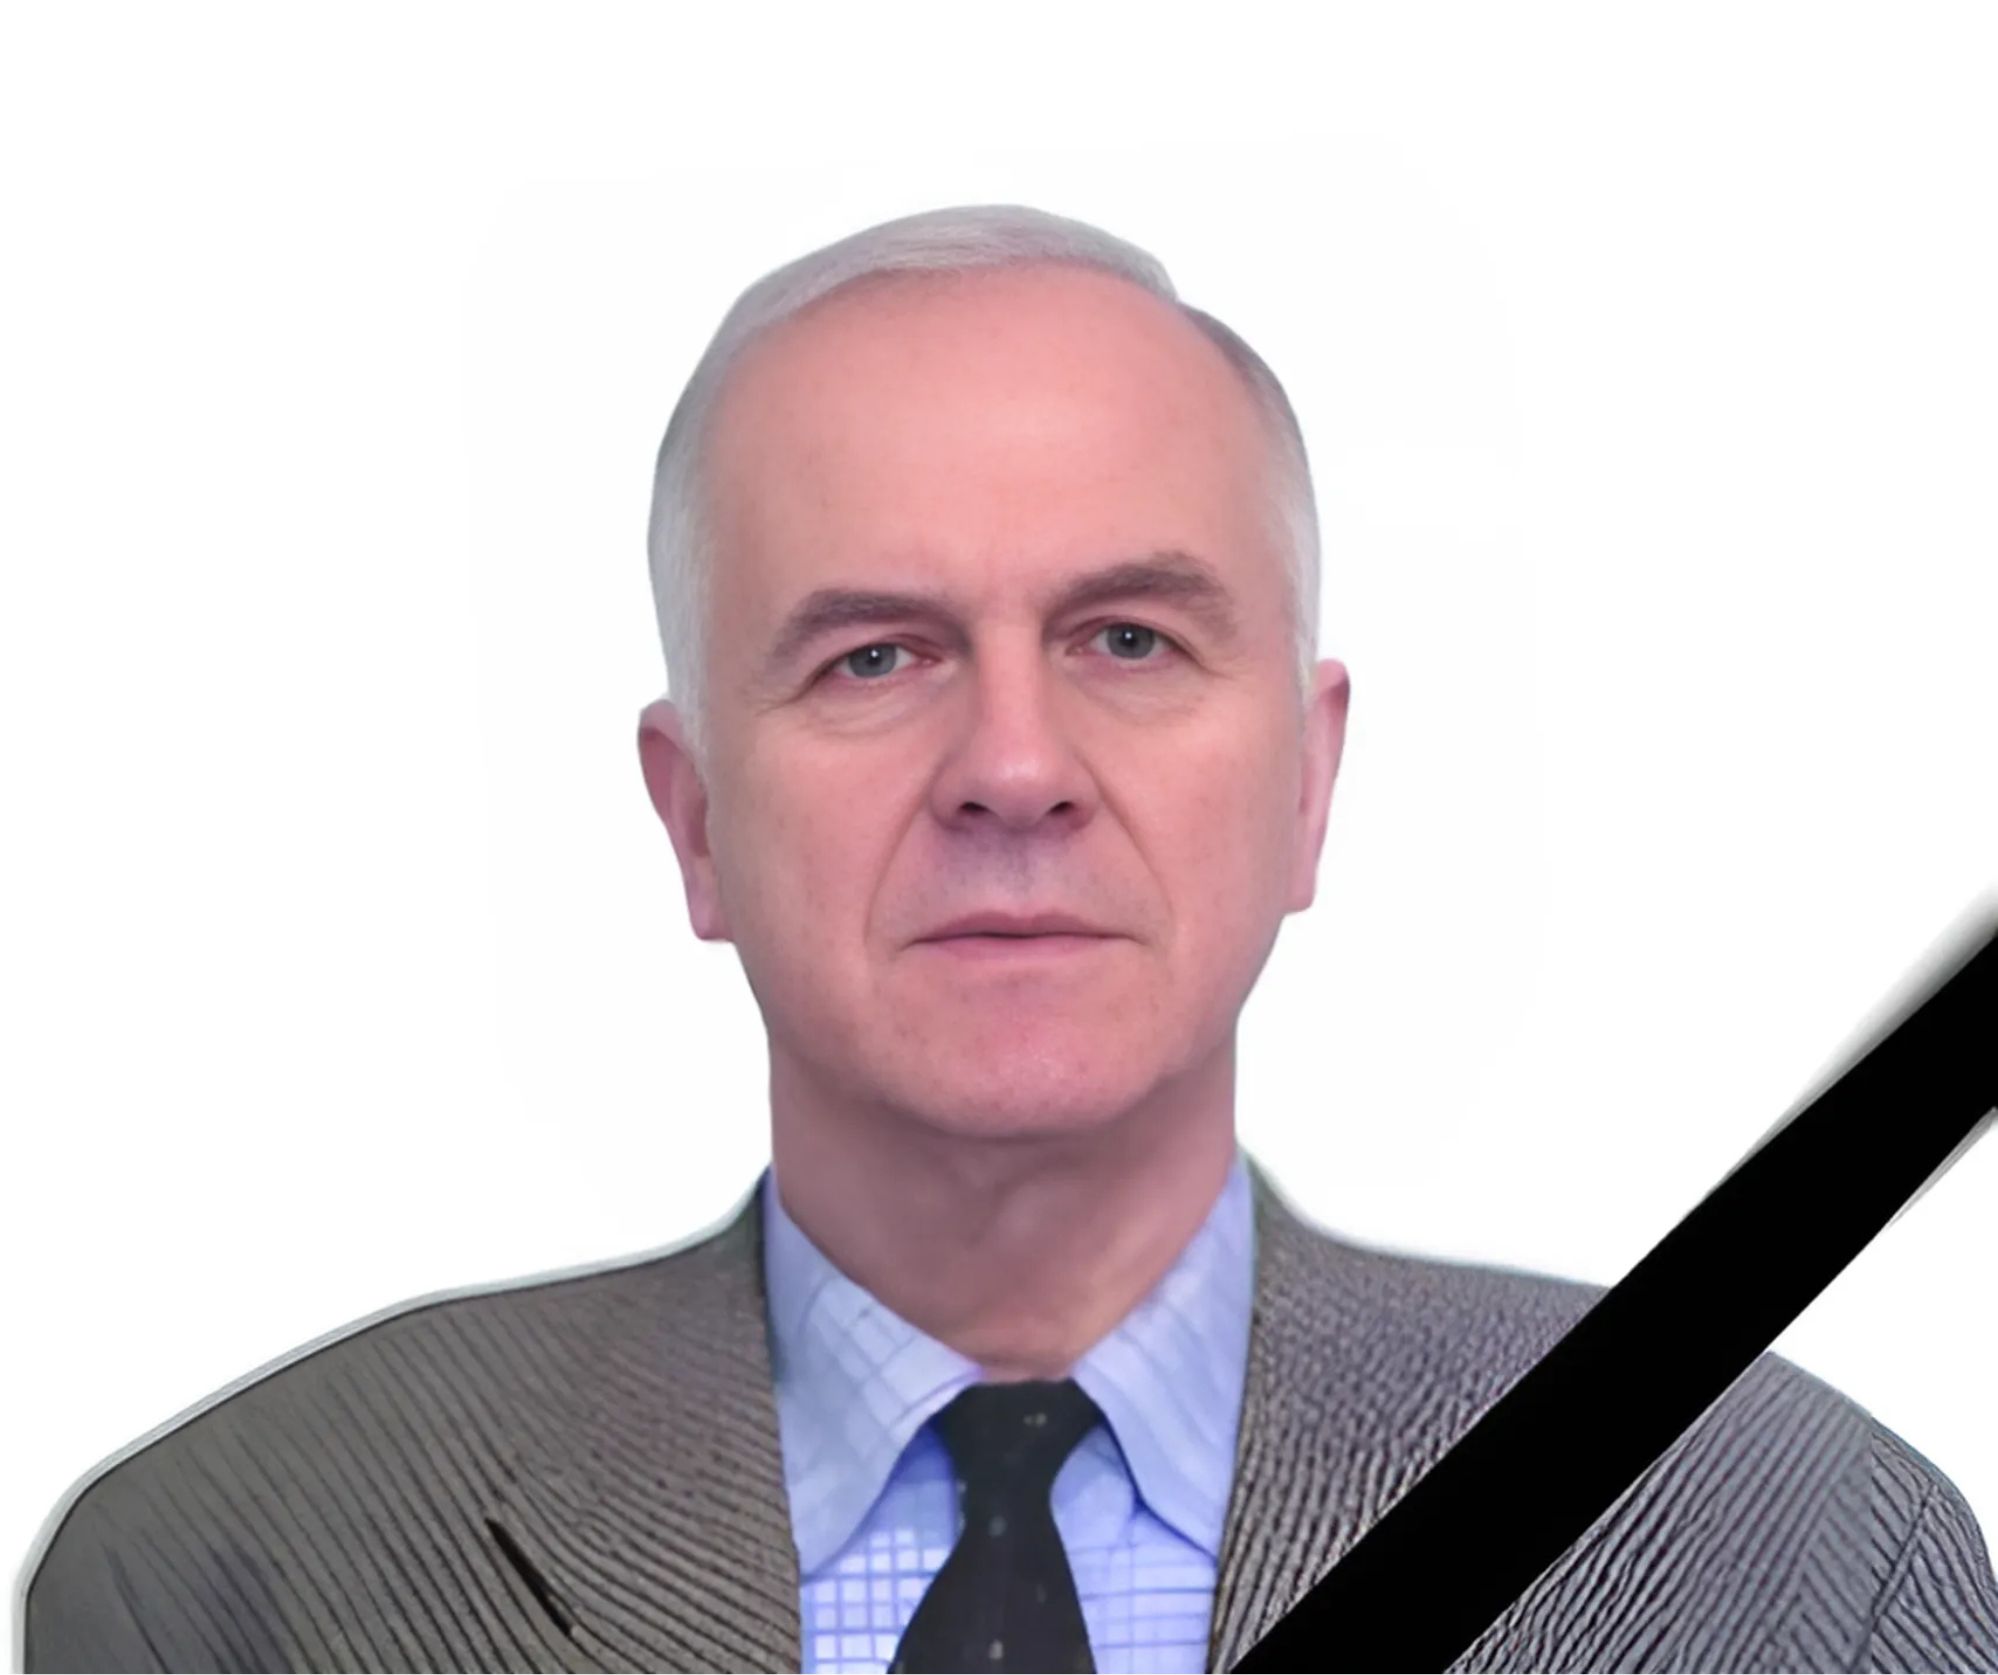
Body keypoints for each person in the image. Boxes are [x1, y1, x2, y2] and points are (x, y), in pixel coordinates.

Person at [21, 203, 1997, 1675]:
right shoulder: (221, 1583)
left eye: (1128, 638)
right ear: (693, 818)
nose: (1016, 768)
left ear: (1307, 784)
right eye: (875, 657)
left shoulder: (1806, 1564)